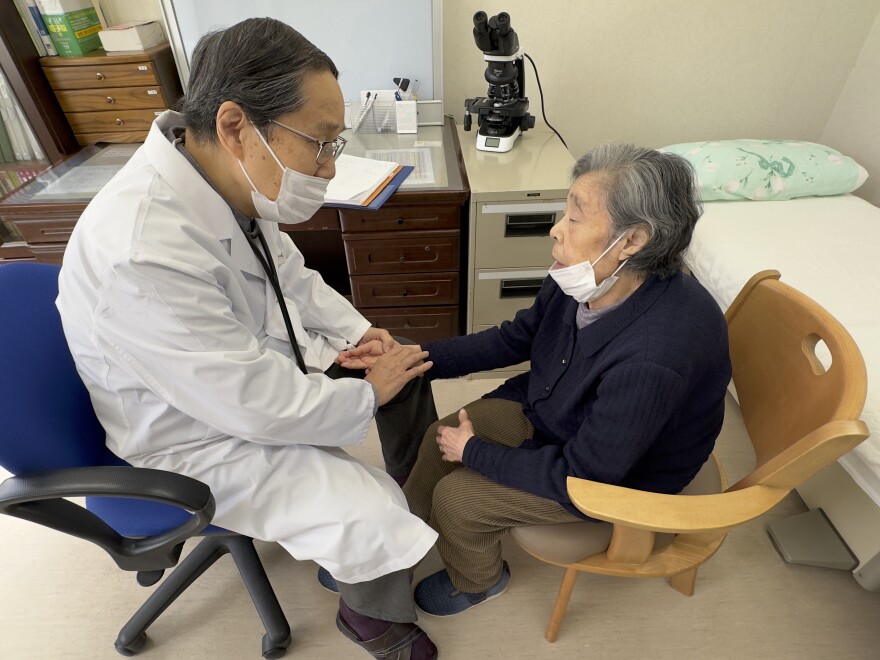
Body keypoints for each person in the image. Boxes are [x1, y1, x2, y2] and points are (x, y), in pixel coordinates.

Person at [57, 18, 440, 660]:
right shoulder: (141, 251)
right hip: (191, 434)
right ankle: (370, 616)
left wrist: (360, 334)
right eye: (319, 142)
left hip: (242, 367)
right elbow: (251, 406)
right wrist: (363, 395)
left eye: (335, 142)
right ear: (235, 126)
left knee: (405, 368)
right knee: (370, 511)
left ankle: (420, 497)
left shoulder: (220, 176)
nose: (330, 164)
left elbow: (289, 275)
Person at [393, 144, 732, 617]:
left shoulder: (655, 355)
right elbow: (519, 337)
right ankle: (396, 539)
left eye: (574, 218)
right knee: (437, 437)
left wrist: (477, 454)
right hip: (561, 411)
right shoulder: (587, 275)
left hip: (618, 477)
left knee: (458, 499)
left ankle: (478, 582)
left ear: (632, 239)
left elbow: (589, 474)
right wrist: (415, 356)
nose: (557, 229)